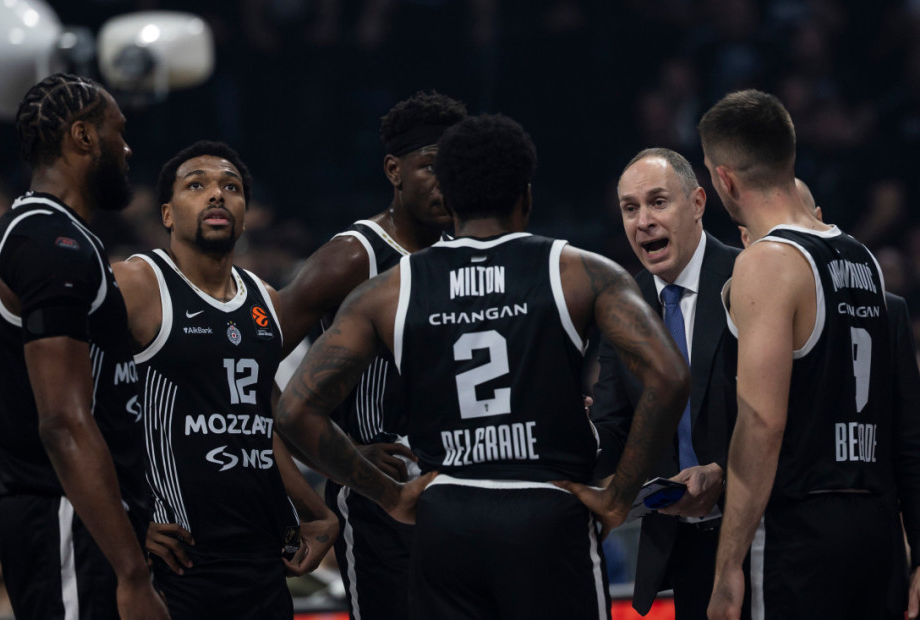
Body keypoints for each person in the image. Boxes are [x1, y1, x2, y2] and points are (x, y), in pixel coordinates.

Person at [275, 113, 691, 619]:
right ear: (527, 196)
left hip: (445, 517)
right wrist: (619, 497)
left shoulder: (390, 289)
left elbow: (294, 410)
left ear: (449, 196)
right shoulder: (580, 270)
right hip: (546, 510)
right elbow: (670, 377)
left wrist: (391, 496)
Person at [112, 141, 338, 619]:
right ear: (168, 213)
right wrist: (124, 514)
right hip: (177, 554)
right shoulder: (136, 283)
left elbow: (257, 425)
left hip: (262, 551)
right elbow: (75, 403)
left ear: (245, 214)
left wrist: (315, 513)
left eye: (230, 187)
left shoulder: (266, 300)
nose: (217, 194)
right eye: (197, 185)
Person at [699, 89, 897, 620]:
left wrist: (728, 566)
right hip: (872, 524)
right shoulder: (863, 258)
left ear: (725, 180)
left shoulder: (767, 261)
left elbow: (762, 423)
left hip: (801, 531)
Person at [277, 91, 466, 619]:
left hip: (459, 495)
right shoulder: (352, 256)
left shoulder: (462, 254)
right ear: (394, 170)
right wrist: (336, 455)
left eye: (454, 168)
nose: (445, 181)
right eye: (430, 166)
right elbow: (243, 362)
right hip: (382, 501)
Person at [0, 74, 168, 619]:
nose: (128, 148)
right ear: (84, 136)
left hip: (80, 519)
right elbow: (63, 423)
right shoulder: (50, 241)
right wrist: (132, 574)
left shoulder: (51, 235)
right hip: (65, 517)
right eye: (119, 131)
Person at [739, 177, 920, 619]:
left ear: (819, 222)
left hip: (834, 536)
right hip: (811, 535)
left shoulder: (888, 308)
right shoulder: (742, 312)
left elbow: (910, 445)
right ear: (747, 240)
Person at [590, 147, 745, 619]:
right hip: (681, 548)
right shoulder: (621, 305)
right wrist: (577, 430)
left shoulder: (749, 277)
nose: (643, 222)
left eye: (658, 202)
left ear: (697, 203)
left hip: (762, 533)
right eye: (630, 208)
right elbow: (613, 428)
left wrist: (724, 474)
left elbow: (789, 413)